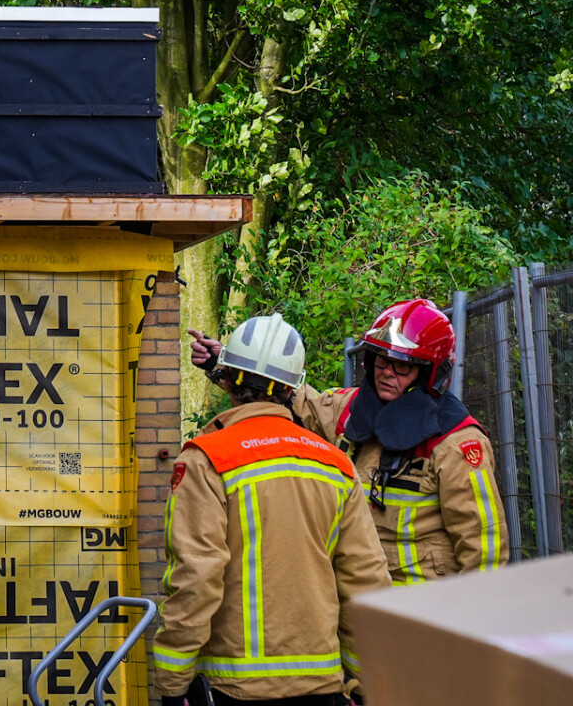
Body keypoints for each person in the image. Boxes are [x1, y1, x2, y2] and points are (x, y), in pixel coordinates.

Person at [154, 313, 389, 706]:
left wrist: (172, 684)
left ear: (226, 378)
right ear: (292, 389)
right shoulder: (335, 465)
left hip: (236, 689)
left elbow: (196, 578)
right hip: (322, 688)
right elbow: (364, 580)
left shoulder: (208, 460)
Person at [189, 298, 508, 587]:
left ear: (429, 372)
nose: (387, 372)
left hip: (422, 608)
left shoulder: (457, 442)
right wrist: (230, 365)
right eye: (380, 360)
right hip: (356, 592)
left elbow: (485, 550)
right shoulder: (351, 410)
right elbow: (295, 400)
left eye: (401, 365)